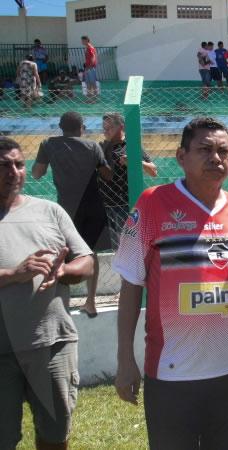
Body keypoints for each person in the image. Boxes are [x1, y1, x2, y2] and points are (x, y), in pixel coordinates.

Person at [113, 118, 228, 450]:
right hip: (173, 373)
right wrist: (125, 360)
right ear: (180, 157)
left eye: (223, 151)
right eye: (204, 150)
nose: (216, 159)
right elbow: (131, 286)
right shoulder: (152, 203)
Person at [0, 136, 94, 450]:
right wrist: (14, 275)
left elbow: (86, 260)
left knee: (55, 434)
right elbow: (16, 274)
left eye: (18, 164)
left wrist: (64, 271)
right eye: (3, 165)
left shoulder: (50, 212)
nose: (13, 171)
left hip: (52, 345)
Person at [32, 111, 112, 319]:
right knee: (91, 253)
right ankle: (91, 302)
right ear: (81, 128)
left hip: (66, 209)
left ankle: (61, 303)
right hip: (93, 206)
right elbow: (107, 175)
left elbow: (37, 173)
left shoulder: (48, 144)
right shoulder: (92, 146)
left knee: (63, 253)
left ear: (61, 127)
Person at [98, 112, 158, 250]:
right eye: (104, 128)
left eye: (109, 128)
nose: (105, 131)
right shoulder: (101, 147)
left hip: (126, 205)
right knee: (113, 248)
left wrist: (134, 162)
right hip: (105, 205)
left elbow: (153, 171)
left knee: (130, 245)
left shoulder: (131, 146)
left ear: (121, 127)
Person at [81, 36, 98, 102]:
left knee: (93, 83)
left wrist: (90, 66)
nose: (82, 42)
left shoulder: (90, 47)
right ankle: (89, 99)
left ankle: (95, 99)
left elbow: (93, 57)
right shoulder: (87, 48)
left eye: (82, 40)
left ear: (86, 40)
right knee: (88, 83)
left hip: (90, 68)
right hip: (88, 68)